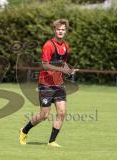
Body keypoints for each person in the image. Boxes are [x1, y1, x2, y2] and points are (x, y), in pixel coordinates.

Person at [19, 19, 77, 147]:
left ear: (65, 31)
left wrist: (68, 70)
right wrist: (62, 69)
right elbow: (45, 65)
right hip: (45, 84)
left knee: (62, 112)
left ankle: (52, 141)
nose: (60, 32)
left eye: (63, 30)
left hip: (59, 84)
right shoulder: (48, 45)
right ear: (54, 30)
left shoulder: (66, 46)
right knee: (44, 115)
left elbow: (63, 62)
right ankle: (24, 130)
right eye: (58, 29)